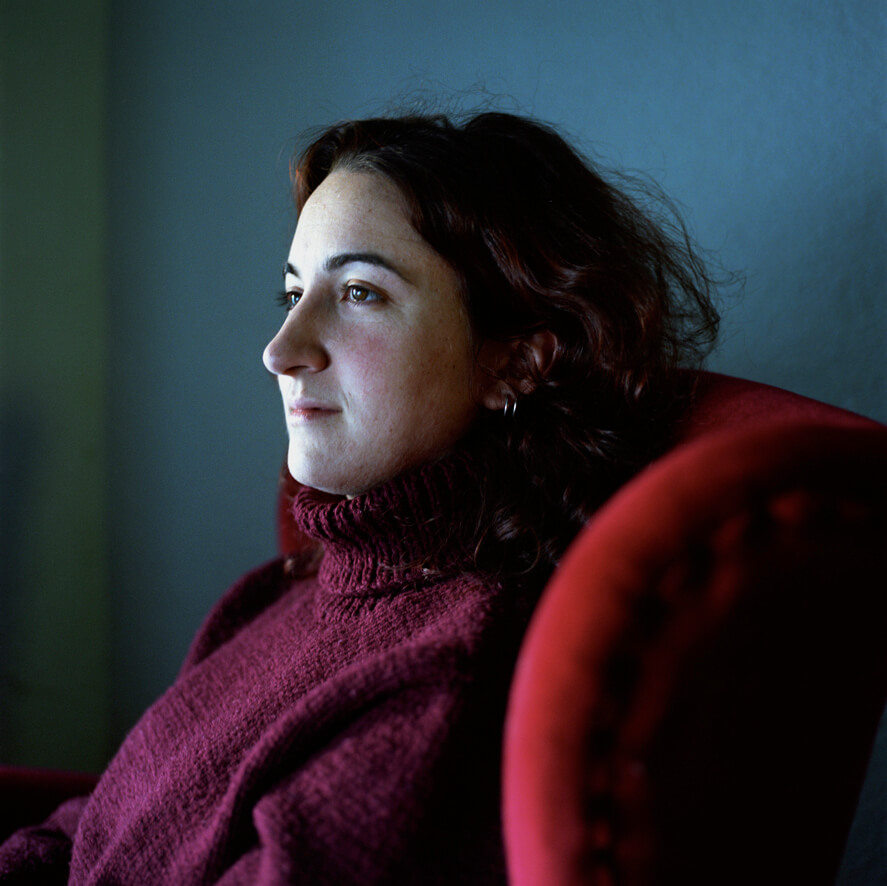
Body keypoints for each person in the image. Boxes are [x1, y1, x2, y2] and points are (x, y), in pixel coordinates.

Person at [0, 110, 719, 884]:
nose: (279, 351)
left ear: (513, 362)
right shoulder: (271, 597)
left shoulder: (449, 677)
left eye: (358, 292)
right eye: (292, 293)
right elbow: (99, 824)